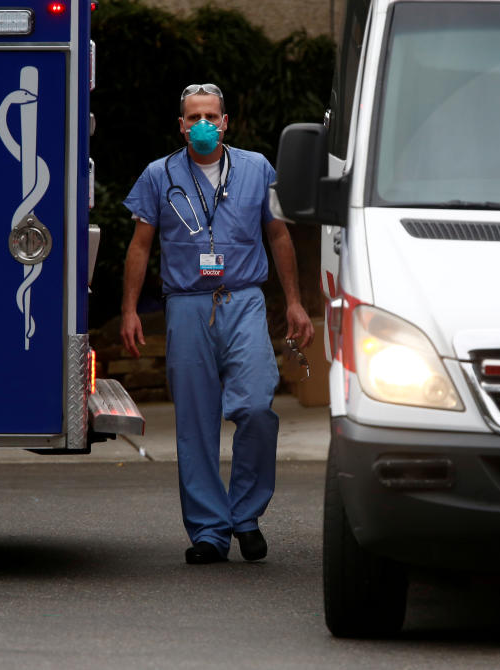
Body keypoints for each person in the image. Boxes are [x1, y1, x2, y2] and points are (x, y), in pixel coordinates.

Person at [120, 83, 314, 565]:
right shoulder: (158, 174)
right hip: (186, 305)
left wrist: (295, 302)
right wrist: (128, 309)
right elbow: (141, 245)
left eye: (210, 115)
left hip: (244, 300)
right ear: (181, 125)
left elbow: (278, 235)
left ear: (226, 122)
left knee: (255, 407)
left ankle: (245, 514)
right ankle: (209, 530)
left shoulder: (256, 169)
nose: (202, 124)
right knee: (195, 423)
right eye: (193, 117)